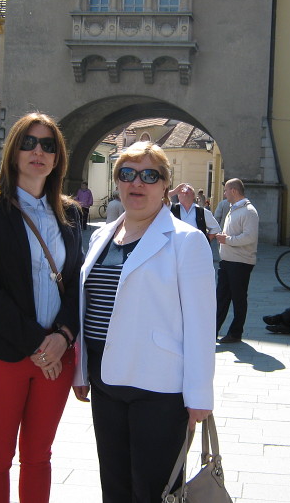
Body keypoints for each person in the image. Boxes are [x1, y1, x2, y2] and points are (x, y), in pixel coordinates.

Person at [72, 141, 216, 502]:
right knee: (115, 486)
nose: (137, 183)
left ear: (165, 184)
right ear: (117, 181)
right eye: (128, 174)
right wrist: (80, 371)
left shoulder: (187, 240)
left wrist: (199, 393)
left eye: (150, 175)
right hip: (105, 381)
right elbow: (87, 306)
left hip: (158, 387)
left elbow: (201, 324)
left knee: (153, 490)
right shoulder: (101, 235)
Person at [0, 112, 83, 503]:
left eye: (48, 145)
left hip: (57, 356)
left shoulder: (70, 213)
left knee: (38, 456)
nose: (38, 151)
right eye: (28, 143)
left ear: (57, 157)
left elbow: (76, 283)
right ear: (13, 151)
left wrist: (63, 337)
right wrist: (37, 343)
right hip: (3, 353)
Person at [215, 178, 259, 343]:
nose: (224, 193)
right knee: (221, 297)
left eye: (226, 190)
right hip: (227, 261)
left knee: (238, 298)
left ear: (234, 191)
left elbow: (249, 237)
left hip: (240, 262)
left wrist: (227, 240)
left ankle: (236, 332)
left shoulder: (249, 211)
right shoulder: (234, 209)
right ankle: (212, 330)